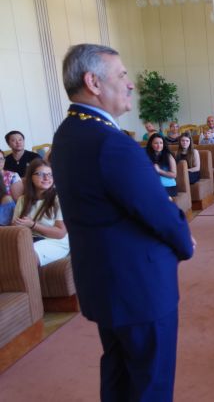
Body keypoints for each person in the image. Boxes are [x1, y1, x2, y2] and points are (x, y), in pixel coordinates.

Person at [52, 43, 194, 402]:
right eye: (122, 75)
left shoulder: (67, 134)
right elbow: (158, 211)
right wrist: (185, 242)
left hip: (106, 284)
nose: (130, 84)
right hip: (139, 288)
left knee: (119, 380)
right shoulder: (111, 142)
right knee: (149, 386)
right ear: (93, 82)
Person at [12, 158, 69, 265]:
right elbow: (15, 227)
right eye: (41, 174)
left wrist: (33, 225)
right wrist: (18, 225)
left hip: (55, 241)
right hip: (30, 239)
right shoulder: (22, 200)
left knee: (26, 254)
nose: (47, 178)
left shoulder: (59, 198)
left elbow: (60, 233)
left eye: (50, 174)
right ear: (31, 177)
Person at [146, 133, 178, 197]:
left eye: (161, 143)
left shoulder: (169, 156)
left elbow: (174, 175)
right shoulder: (147, 156)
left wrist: (159, 171)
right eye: (156, 143)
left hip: (168, 187)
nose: (159, 145)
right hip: (153, 186)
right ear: (151, 144)